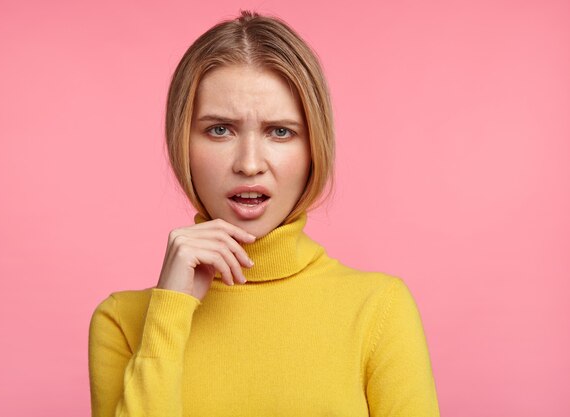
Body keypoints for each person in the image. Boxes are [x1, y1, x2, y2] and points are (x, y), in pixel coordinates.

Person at [88, 10, 440, 417]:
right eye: (220, 129)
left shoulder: (379, 308)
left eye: (280, 131)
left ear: (314, 148)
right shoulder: (123, 321)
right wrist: (169, 313)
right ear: (181, 142)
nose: (250, 164)